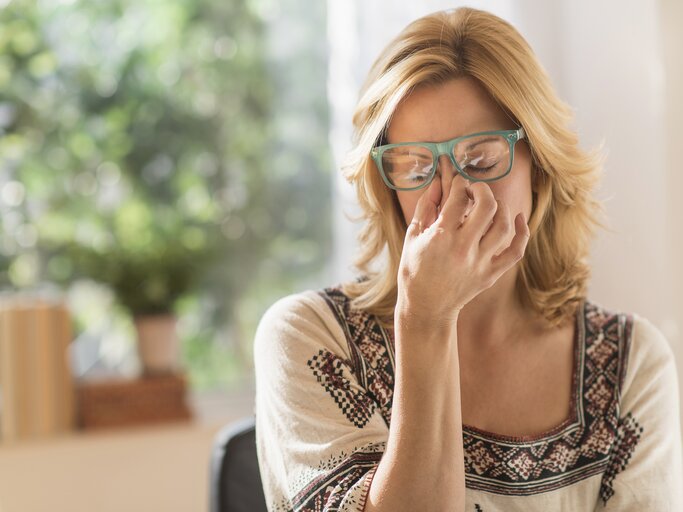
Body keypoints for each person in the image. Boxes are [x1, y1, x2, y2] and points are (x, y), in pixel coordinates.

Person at [253, 7, 683, 511]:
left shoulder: (630, 367)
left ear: (539, 166)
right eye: (414, 166)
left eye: (480, 160)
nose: (450, 193)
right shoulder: (310, 340)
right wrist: (426, 320)